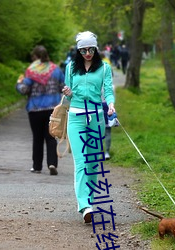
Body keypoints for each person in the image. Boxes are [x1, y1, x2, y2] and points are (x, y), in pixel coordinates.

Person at [62, 31, 115, 223]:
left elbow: (108, 90)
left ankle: (91, 201)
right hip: (75, 117)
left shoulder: (104, 68)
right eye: (83, 50)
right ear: (78, 50)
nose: (87, 53)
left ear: (96, 48)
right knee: (81, 161)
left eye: (91, 49)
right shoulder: (70, 68)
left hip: (96, 118)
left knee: (93, 161)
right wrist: (67, 92)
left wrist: (110, 104)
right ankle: (84, 205)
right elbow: (68, 96)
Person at [16, 45, 65, 175]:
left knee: (37, 138)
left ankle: (37, 166)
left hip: (35, 109)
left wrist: (19, 83)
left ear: (35, 57)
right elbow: (63, 87)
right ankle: (52, 163)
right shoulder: (56, 70)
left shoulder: (31, 71)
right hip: (52, 109)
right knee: (51, 137)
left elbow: (24, 90)